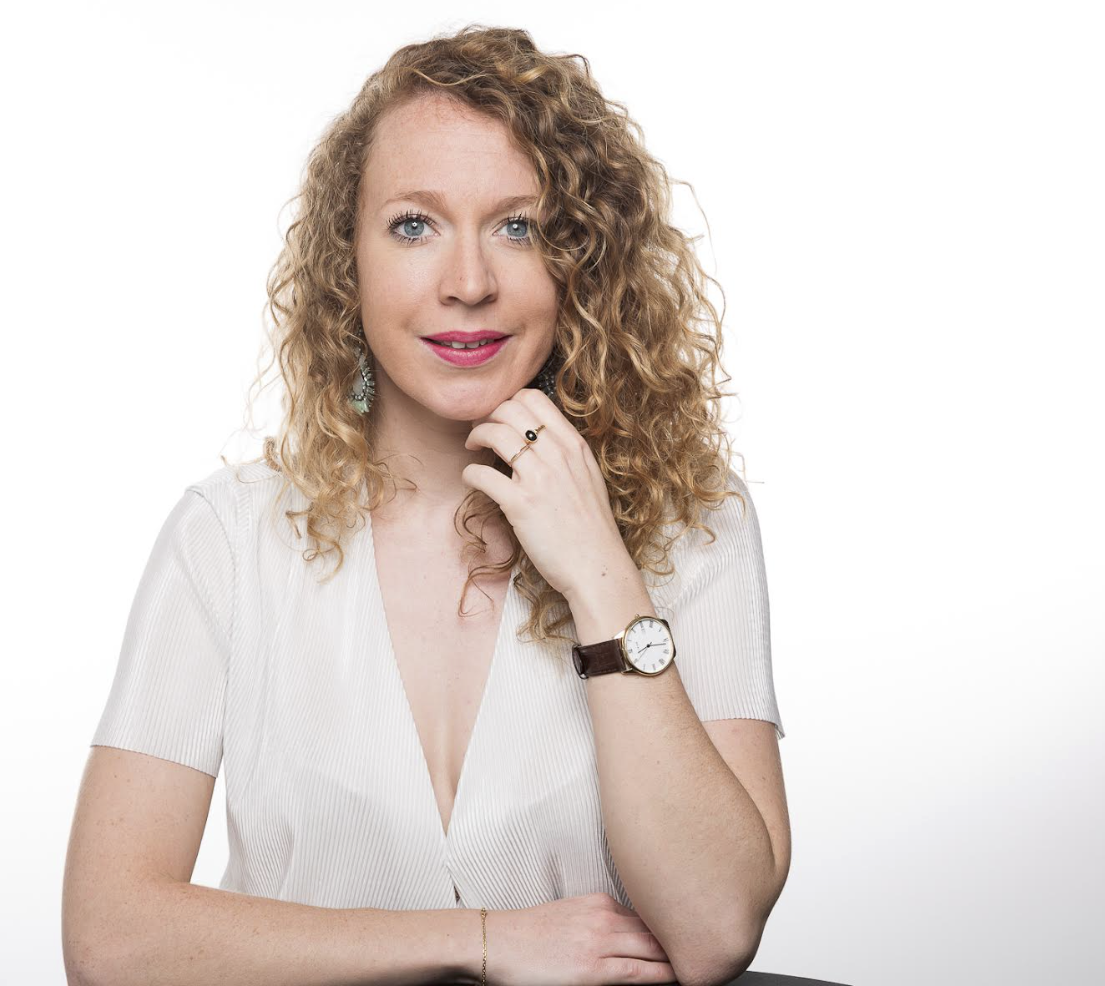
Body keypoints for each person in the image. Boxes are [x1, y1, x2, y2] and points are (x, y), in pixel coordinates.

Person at [63, 24, 788, 986]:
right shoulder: (230, 540)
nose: (469, 282)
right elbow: (109, 938)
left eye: (519, 227)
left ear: (585, 264)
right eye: (414, 225)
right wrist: (483, 940)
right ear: (345, 265)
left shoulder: (695, 521)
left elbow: (716, 926)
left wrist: (602, 575)